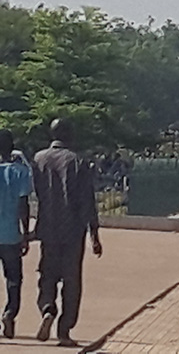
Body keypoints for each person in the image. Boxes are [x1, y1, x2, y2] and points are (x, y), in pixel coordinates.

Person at [32, 118, 102, 347]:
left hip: (48, 229)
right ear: (69, 134)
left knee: (47, 275)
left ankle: (47, 308)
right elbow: (87, 201)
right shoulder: (78, 162)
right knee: (72, 282)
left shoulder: (39, 159)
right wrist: (94, 235)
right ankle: (64, 330)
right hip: (73, 231)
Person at [0, 130, 31, 339]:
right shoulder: (21, 172)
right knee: (14, 279)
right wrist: (26, 232)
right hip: (11, 235)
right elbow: (24, 205)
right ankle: (10, 313)